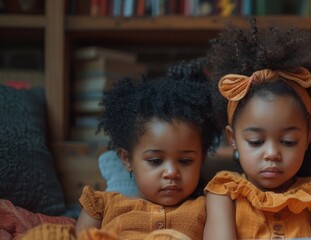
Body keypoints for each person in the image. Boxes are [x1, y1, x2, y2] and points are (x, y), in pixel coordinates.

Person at [22, 58, 220, 240]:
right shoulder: (102, 205)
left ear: (201, 159)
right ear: (126, 159)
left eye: (185, 161)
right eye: (155, 161)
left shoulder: (208, 208)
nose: (171, 173)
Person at [203, 19, 311, 240]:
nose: (272, 154)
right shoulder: (224, 193)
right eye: (256, 141)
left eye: (288, 141)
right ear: (232, 138)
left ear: (309, 137)